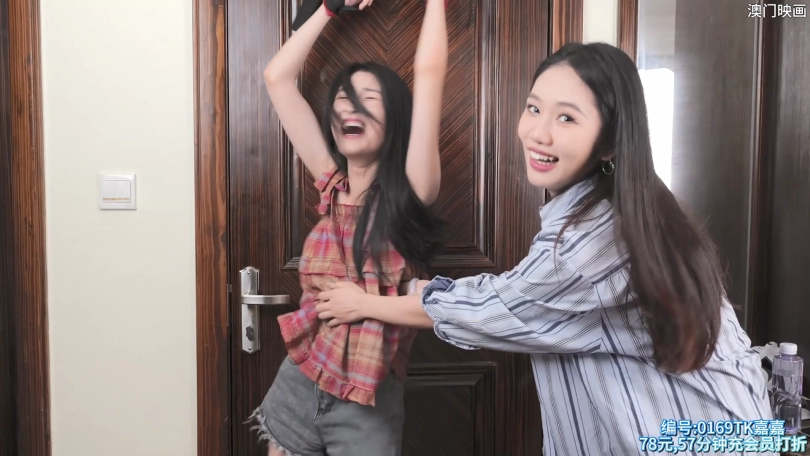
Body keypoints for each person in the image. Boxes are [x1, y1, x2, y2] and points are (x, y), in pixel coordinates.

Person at [315, 42, 775, 455]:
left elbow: (498, 305)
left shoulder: (592, 244)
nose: (539, 133)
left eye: (566, 118)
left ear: (610, 143)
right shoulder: (629, 210)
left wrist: (366, 303)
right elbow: (520, 292)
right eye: (534, 108)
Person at [248, 0, 448, 455]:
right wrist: (328, 8)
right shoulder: (332, 186)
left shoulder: (409, 193)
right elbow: (277, 78)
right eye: (342, 99)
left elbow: (430, 74)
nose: (351, 108)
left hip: (366, 401)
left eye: (369, 99)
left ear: (395, 119)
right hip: (297, 385)